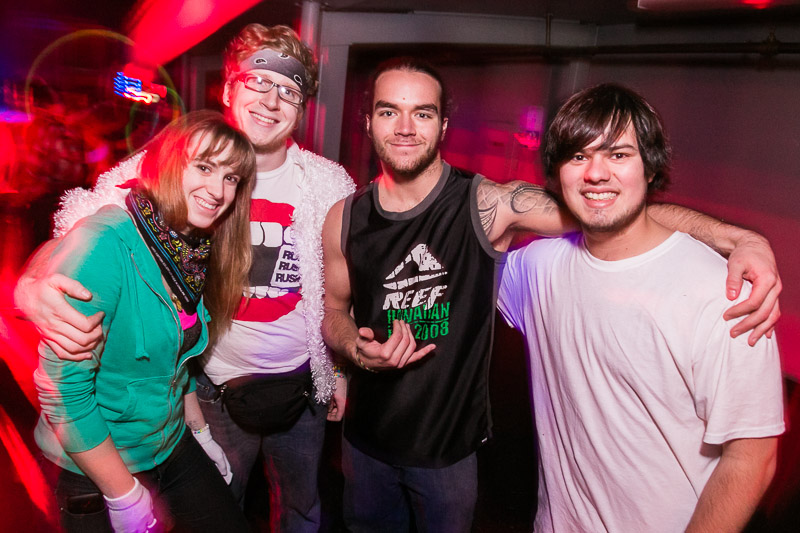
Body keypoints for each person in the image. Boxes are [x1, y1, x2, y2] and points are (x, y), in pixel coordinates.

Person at [320, 58, 782, 531]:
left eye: (422, 113)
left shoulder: (488, 205)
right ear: (368, 121)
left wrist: (736, 238)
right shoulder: (346, 218)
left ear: (443, 126)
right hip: (366, 442)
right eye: (389, 111)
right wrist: (352, 350)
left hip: (447, 455)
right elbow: (334, 311)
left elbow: (612, 211)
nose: (404, 127)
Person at [17, 24, 355, 532]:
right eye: (259, 81)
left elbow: (340, 282)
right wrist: (31, 286)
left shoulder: (329, 183)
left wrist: (338, 370)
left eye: (289, 91)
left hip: (302, 388)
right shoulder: (168, 160)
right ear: (229, 89)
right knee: (223, 502)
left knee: (303, 508)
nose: (272, 100)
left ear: (302, 109)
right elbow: (79, 229)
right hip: (212, 388)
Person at [497, 83, 785, 532]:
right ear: (557, 172)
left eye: (618, 154)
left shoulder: (724, 292)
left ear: (650, 168)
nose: (596, 173)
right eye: (578, 156)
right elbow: (472, 243)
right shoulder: (538, 266)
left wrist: (741, 239)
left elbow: (752, 458)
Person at [34, 110, 253, 532]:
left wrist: (201, 433)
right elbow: (63, 391)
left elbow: (176, 362)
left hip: (168, 442)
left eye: (231, 178)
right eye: (204, 167)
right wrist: (124, 493)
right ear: (169, 163)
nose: (219, 190)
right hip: (95, 458)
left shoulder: (191, 250)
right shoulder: (106, 240)